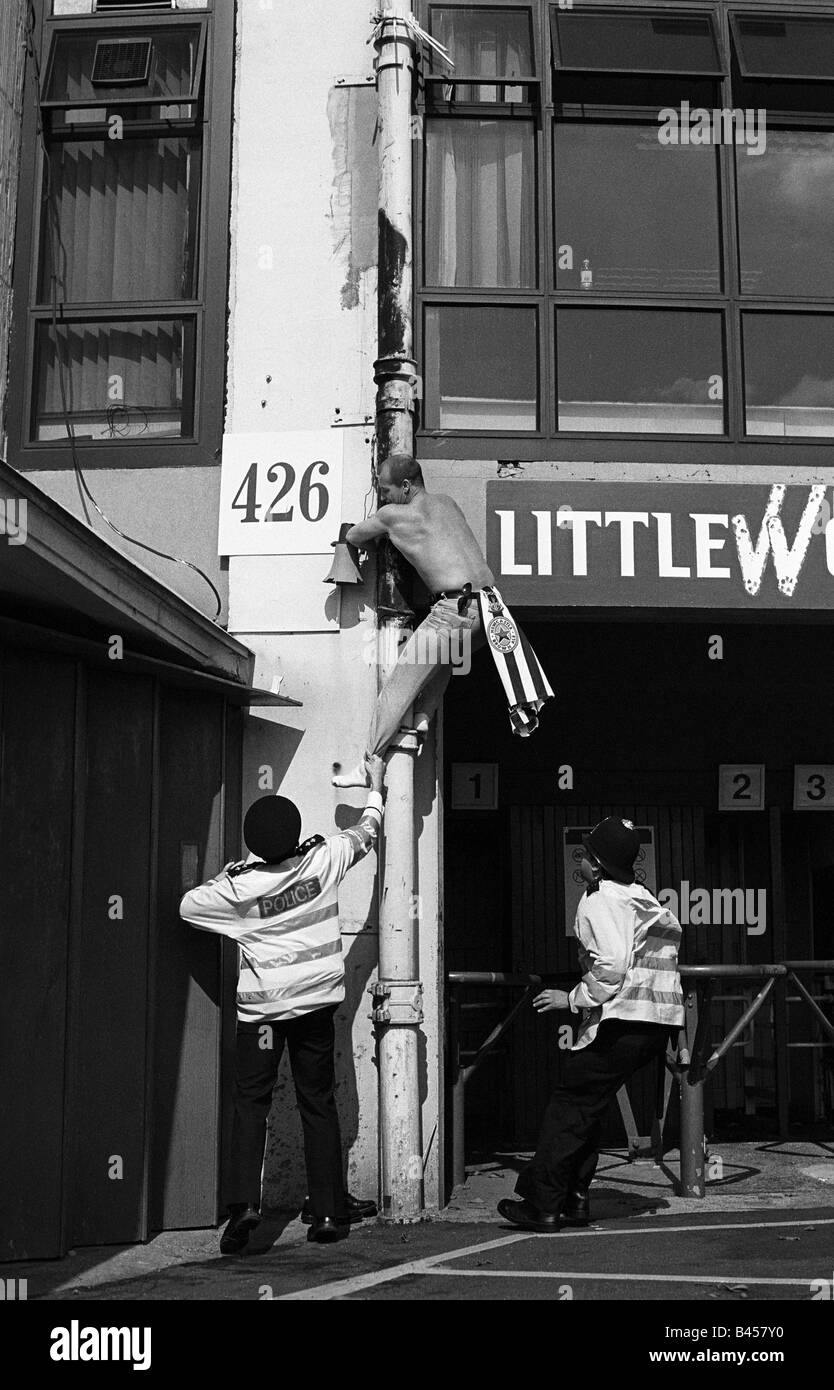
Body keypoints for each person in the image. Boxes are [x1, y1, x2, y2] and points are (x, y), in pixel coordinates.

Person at [179, 755, 386, 1253]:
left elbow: (187, 906)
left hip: (263, 1017)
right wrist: (376, 790)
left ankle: (244, 1208)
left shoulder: (239, 889)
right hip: (316, 1007)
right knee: (319, 1101)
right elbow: (367, 833)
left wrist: (231, 873)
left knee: (252, 1104)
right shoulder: (324, 859)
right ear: (295, 834)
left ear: (253, 843)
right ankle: (330, 1214)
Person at [498, 817, 685, 1233]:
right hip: (655, 1027)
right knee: (589, 1107)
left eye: (584, 854)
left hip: (622, 1022)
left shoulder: (598, 900)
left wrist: (572, 999)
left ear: (597, 867)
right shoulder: (641, 897)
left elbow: (613, 966)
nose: (578, 860)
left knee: (569, 1107)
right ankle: (575, 1199)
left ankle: (543, 1203)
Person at [333, 453, 552, 788]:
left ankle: (368, 763)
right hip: (491, 610)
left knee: (397, 686)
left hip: (454, 609)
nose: (383, 496)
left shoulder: (392, 516)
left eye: (386, 489)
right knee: (446, 659)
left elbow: (355, 536)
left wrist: (354, 530)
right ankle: (422, 718)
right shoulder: (447, 503)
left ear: (406, 487)